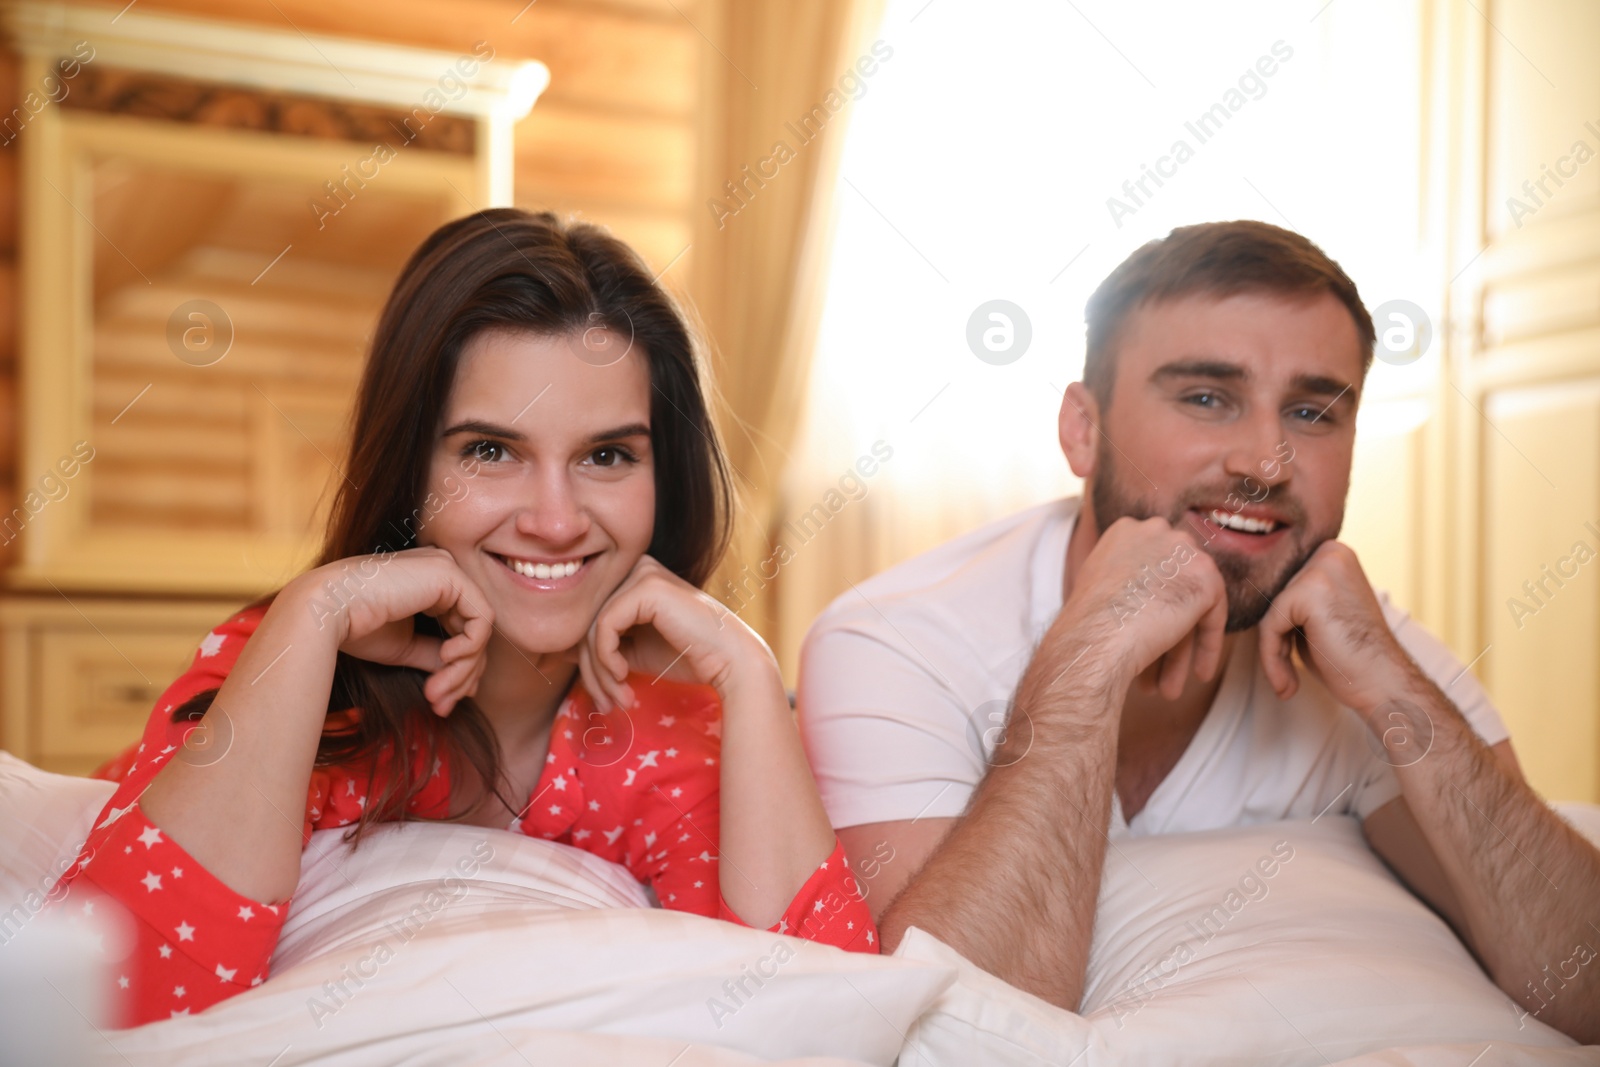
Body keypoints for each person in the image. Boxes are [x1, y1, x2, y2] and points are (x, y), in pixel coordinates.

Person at [56, 208, 876, 1028]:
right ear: (411, 466)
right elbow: (106, 1004)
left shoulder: (670, 726)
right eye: (491, 450)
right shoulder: (285, 655)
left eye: (607, 455)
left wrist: (752, 671)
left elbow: (823, 1015)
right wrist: (313, 612)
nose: (555, 520)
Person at [799, 220, 1600, 1042]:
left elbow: (1584, 986)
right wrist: (1089, 657)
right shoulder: (895, 641)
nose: (1267, 460)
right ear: (1084, 428)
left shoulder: (1359, 645)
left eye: (1313, 411)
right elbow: (952, 1025)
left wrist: (1391, 681)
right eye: (1206, 398)